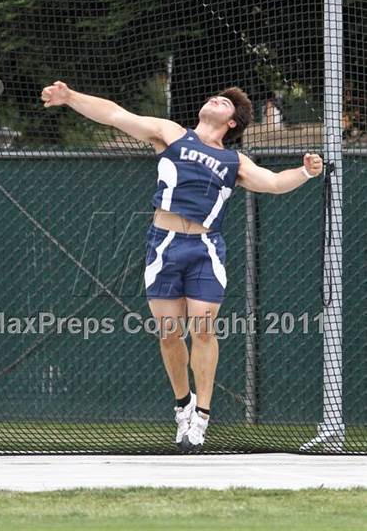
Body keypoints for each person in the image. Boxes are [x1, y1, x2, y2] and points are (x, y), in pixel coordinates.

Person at [41, 81, 323, 452]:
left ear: (233, 123)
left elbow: (272, 182)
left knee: (203, 327)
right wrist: (70, 97)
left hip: (205, 247)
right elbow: (114, 115)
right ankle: (183, 405)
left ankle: (201, 417)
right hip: (164, 245)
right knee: (169, 333)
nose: (216, 99)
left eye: (225, 103)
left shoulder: (233, 161)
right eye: (215, 96)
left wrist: (305, 172)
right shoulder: (173, 135)